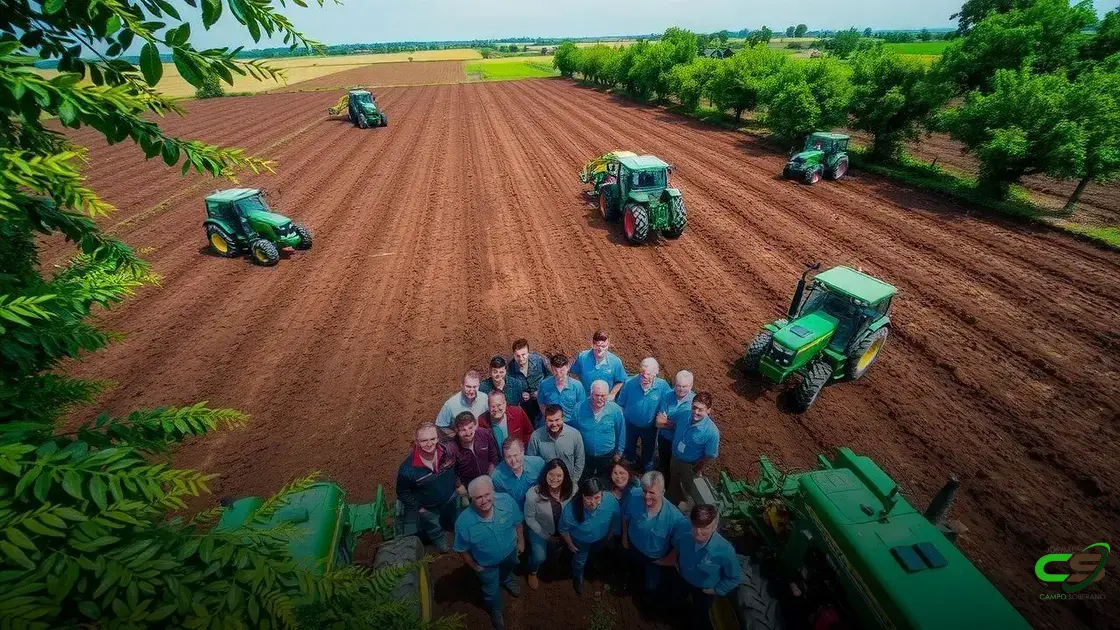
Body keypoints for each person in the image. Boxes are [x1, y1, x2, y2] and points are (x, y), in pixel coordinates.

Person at [453, 476, 525, 630]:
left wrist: (521, 541)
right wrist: (474, 566)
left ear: (493, 492)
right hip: (486, 565)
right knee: (490, 590)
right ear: (471, 498)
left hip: (510, 553)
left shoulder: (506, 501)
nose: (484, 500)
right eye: (478, 497)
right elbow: (462, 549)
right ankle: (495, 610)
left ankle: (507, 580)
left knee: (508, 569)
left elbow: (517, 521)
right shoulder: (464, 522)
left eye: (487, 494)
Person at [666, 504, 742, 629]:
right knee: (675, 601)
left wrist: (716, 590)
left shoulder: (725, 551)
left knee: (700, 616)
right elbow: (676, 543)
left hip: (704, 591)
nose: (698, 533)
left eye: (705, 528)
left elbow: (734, 577)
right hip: (682, 579)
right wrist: (675, 560)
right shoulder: (684, 531)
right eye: (695, 527)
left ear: (715, 527)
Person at [621, 471, 685, 604]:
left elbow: (679, 545)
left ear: (663, 492)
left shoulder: (675, 518)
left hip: (654, 558)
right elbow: (625, 516)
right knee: (632, 570)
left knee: (651, 585)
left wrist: (667, 560)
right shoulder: (634, 494)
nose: (646, 496)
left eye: (652, 492)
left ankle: (647, 601)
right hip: (633, 547)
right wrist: (624, 537)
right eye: (644, 491)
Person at [395, 422, 459, 552]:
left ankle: (456, 534)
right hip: (429, 508)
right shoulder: (408, 469)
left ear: (438, 438)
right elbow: (402, 492)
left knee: (454, 520)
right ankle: (443, 546)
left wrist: (458, 484)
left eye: (432, 439)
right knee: (434, 527)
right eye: (424, 440)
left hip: (451, 498)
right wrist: (420, 509)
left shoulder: (448, 452)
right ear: (416, 441)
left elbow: (456, 469)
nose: (429, 444)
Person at [559, 477, 621, 595]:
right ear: (582, 495)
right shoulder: (571, 509)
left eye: (597, 497)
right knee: (579, 561)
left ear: (602, 494)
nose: (593, 502)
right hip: (580, 541)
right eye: (588, 498)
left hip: (601, 538)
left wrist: (612, 533)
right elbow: (563, 529)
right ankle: (578, 576)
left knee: (596, 553)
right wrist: (570, 544)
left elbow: (616, 516)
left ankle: (592, 564)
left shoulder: (610, 501)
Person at [523, 459, 574, 590]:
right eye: (551, 474)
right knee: (539, 557)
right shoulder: (533, 494)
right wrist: (547, 536)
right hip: (540, 531)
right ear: (545, 474)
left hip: (562, 531)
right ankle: (533, 571)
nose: (554, 479)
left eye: (559, 475)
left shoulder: (571, 490)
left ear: (565, 476)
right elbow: (530, 519)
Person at [617, 357, 671, 473]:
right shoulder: (629, 383)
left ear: (656, 373)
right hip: (630, 425)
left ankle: (647, 471)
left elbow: (667, 405)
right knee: (629, 448)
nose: (645, 377)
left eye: (649, 374)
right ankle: (631, 468)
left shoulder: (662, 386)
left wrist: (662, 417)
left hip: (650, 427)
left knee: (649, 451)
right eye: (642, 373)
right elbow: (621, 403)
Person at [666, 392, 719, 508]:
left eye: (700, 410)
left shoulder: (712, 432)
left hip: (690, 465)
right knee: (673, 479)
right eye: (694, 407)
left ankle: (685, 507)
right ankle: (672, 498)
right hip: (674, 457)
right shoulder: (684, 414)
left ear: (708, 410)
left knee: (687, 489)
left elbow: (710, 455)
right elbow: (672, 422)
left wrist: (697, 468)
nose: (696, 412)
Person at [569, 380, 625, 483]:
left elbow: (621, 431)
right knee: (584, 482)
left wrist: (619, 452)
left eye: (603, 395)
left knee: (605, 481)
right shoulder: (578, 408)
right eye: (597, 395)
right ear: (590, 394)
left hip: (607, 455)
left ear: (607, 395)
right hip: (585, 454)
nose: (600, 399)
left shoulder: (615, 410)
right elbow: (573, 432)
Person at [526, 404, 586, 484]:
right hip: (545, 483)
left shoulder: (575, 435)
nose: (554, 424)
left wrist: (573, 482)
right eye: (550, 420)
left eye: (557, 420)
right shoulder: (536, 437)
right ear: (545, 420)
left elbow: (580, 461)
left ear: (563, 418)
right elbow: (531, 463)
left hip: (569, 482)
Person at [654, 370, 695, 485]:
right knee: (664, 464)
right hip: (665, 439)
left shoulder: (694, 402)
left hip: (681, 443)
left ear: (691, 386)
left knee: (677, 469)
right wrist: (678, 425)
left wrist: (669, 423)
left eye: (684, 386)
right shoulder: (667, 396)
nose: (681, 389)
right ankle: (664, 484)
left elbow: (691, 428)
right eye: (678, 385)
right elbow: (658, 422)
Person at [446, 411, 500, 492]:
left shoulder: (485, 434)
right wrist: (459, 485)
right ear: (456, 430)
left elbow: (493, 453)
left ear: (475, 425)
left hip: (489, 478)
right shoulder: (451, 448)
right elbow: (451, 472)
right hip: (468, 486)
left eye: (470, 428)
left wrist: (493, 466)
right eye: (463, 430)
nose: (468, 433)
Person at [570, 330, 627, 401]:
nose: (600, 349)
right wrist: (580, 389)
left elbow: (620, 380)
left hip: (604, 400)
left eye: (603, 346)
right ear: (592, 344)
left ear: (608, 344)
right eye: (597, 346)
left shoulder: (615, 361)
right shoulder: (582, 357)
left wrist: (612, 394)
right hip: (585, 399)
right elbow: (574, 373)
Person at [491, 437, 545, 511]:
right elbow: (502, 503)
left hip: (538, 508)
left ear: (523, 452)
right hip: (515, 512)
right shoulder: (497, 476)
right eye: (508, 457)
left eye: (516, 455)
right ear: (503, 458)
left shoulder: (538, 464)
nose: (513, 461)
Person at [436, 370, 490, 439]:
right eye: (468, 386)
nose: (471, 391)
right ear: (462, 385)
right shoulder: (450, 404)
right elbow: (440, 426)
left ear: (479, 386)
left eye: (475, 387)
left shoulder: (484, 398)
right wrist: (456, 437)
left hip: (481, 438)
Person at [508, 339, 551, 424]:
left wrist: (541, 391)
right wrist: (520, 394)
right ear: (513, 355)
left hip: (544, 397)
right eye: (517, 356)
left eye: (523, 355)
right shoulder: (510, 367)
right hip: (525, 404)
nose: (521, 359)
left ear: (528, 353)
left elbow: (551, 375)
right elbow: (510, 386)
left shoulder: (539, 359)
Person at [537, 353, 587, 423]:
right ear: (551, 368)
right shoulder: (544, 384)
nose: (559, 375)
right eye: (556, 371)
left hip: (571, 423)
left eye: (562, 371)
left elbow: (582, 407)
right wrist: (549, 419)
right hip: (552, 422)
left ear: (568, 367)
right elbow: (541, 404)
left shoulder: (577, 386)